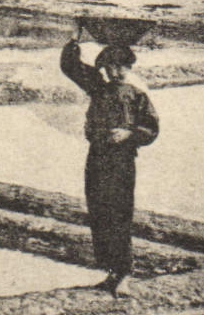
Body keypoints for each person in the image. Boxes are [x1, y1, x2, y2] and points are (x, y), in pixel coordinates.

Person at [60, 26, 159, 295]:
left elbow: (151, 128)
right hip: (97, 158)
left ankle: (124, 273)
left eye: (121, 67)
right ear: (104, 69)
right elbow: (69, 66)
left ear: (128, 68)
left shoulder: (136, 95)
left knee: (119, 213)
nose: (116, 72)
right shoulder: (97, 88)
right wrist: (75, 37)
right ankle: (111, 271)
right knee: (99, 212)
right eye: (110, 67)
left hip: (122, 161)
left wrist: (129, 134)